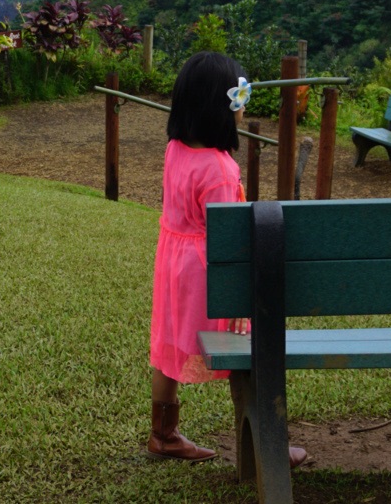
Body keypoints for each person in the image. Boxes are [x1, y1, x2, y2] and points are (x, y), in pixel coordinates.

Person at [147, 51, 307, 468]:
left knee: (167, 342)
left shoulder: (175, 149)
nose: (245, 107)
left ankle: (162, 434)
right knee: (248, 348)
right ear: (221, 107)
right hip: (208, 275)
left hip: (173, 267)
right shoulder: (220, 169)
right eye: (240, 98)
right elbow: (229, 241)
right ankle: (266, 443)